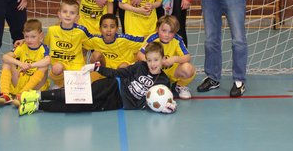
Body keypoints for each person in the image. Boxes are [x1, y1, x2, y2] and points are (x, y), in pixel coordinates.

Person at [18, 41, 176, 115]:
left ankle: (36, 106)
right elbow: (117, 73)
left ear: (163, 59)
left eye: (156, 60)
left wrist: (168, 105)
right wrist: (96, 68)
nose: (152, 64)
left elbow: (164, 99)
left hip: (118, 103)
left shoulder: (164, 82)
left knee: (78, 107)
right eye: (149, 60)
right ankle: (35, 95)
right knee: (77, 95)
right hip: (113, 86)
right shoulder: (140, 66)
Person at [0, 19, 50, 107]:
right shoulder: (22, 46)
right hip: (21, 80)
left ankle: (22, 95)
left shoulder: (44, 48)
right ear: (23, 35)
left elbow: (48, 60)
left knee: (44, 66)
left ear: (41, 35)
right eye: (26, 36)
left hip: (36, 84)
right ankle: (5, 95)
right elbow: (5, 57)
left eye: (33, 37)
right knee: (7, 63)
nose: (29, 40)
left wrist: (30, 65)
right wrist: (21, 64)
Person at [138, 15, 196, 100]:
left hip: (171, 71)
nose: (167, 35)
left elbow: (187, 57)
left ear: (175, 32)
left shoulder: (177, 39)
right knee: (139, 66)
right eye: (164, 31)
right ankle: (150, 84)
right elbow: (140, 55)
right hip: (154, 71)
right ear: (157, 29)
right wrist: (155, 62)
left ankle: (180, 86)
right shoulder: (152, 38)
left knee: (188, 69)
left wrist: (174, 59)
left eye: (171, 32)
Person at [43, 0, 92, 88]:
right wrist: (24, 40)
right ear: (59, 14)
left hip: (76, 64)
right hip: (59, 64)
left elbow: (93, 41)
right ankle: (60, 84)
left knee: (79, 88)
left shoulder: (81, 31)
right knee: (56, 68)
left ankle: (67, 86)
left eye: (72, 13)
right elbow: (43, 45)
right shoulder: (52, 30)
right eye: (65, 12)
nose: (68, 15)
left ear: (77, 17)